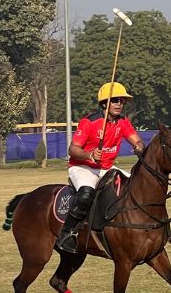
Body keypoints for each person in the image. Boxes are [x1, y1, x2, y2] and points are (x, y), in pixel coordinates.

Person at [54, 82, 146, 255]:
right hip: (83, 167)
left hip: (107, 167)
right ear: (105, 103)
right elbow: (72, 150)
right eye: (115, 100)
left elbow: (136, 140)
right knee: (87, 193)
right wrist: (89, 155)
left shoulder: (123, 122)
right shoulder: (90, 122)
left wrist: (139, 146)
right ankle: (67, 233)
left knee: (135, 186)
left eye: (122, 101)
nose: (120, 104)